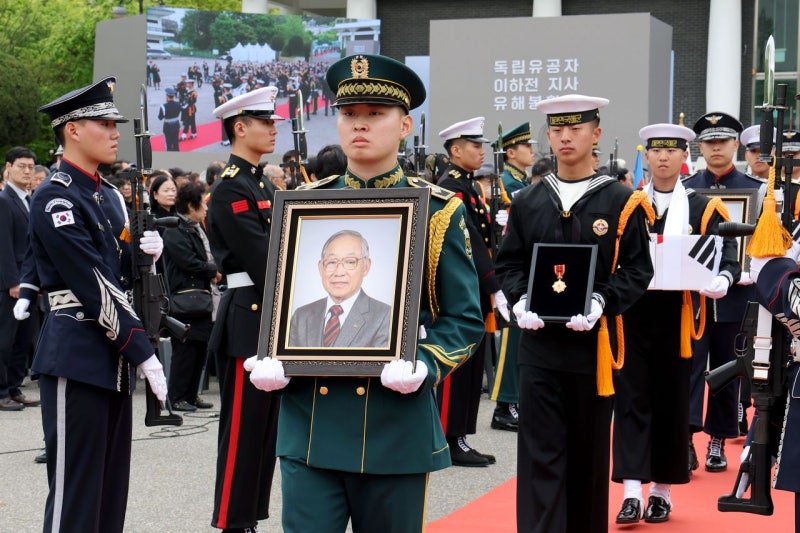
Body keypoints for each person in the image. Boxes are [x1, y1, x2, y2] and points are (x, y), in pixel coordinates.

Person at [246, 53, 484, 533]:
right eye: (349, 114)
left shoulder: (437, 212)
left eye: (376, 115)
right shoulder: (306, 207)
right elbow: (288, 300)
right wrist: (272, 353)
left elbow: (463, 318)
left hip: (392, 426)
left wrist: (426, 363)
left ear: (404, 125)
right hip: (311, 421)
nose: (360, 125)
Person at [495, 93, 654, 533]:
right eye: (557, 130)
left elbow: (639, 268)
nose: (565, 138)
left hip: (594, 350)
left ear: (595, 134)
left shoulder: (622, 200)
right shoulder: (529, 200)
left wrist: (604, 301)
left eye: (576, 129)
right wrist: (521, 299)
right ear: (548, 135)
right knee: (540, 457)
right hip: (540, 347)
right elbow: (509, 262)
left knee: (586, 456)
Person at [31, 76, 168, 532]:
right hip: (78, 351)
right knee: (76, 494)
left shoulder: (106, 194)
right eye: (104, 123)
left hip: (112, 359)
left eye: (116, 124)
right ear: (72, 130)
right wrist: (143, 349)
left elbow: (119, 268)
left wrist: (146, 253)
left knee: (110, 493)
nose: (115, 133)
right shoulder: (55, 196)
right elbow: (93, 283)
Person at [612, 123, 740, 524]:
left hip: (678, 319)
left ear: (685, 157)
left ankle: (662, 493)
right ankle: (632, 491)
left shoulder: (703, 207)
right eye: (656, 151)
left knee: (671, 404)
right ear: (646, 156)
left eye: (672, 152)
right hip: (631, 317)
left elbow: (729, 255)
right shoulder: (628, 205)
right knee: (631, 401)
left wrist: (724, 278)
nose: (664, 158)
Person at [206, 86, 284, 533]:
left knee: (265, 432)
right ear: (240, 127)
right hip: (247, 315)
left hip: (267, 316)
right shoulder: (231, 188)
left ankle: (250, 518)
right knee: (242, 430)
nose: (273, 129)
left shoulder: (260, 183)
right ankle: (234, 522)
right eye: (265, 122)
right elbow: (265, 258)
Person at [683, 111, 765, 474]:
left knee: (727, 368)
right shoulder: (686, 189)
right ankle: (684, 437)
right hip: (692, 296)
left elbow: (764, 242)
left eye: (723, 141)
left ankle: (718, 439)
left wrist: (752, 268)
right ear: (700, 147)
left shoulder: (756, 190)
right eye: (709, 142)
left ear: (736, 145)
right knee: (688, 366)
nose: (716, 147)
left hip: (736, 294)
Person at [436, 116, 510, 466]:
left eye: (482, 145)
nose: (481, 151)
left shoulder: (468, 185)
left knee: (472, 362)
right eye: (475, 145)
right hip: (460, 286)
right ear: (455, 150)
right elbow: (471, 242)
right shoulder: (452, 185)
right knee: (459, 365)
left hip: (473, 284)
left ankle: (460, 435)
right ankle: (449, 436)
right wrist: (493, 284)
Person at [488, 122, 536, 433]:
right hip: (509, 267)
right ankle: (506, 404)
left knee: (520, 336)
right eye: (527, 146)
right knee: (511, 336)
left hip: (524, 264)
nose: (532, 151)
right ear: (510, 152)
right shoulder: (505, 183)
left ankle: (514, 400)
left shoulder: (521, 182)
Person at [162, 182, 220, 412]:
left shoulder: (196, 227)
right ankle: (177, 397)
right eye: (202, 205)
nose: (205, 209)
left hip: (202, 297)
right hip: (185, 298)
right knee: (184, 351)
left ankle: (191, 395)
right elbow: (187, 261)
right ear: (190, 205)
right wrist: (211, 271)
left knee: (199, 349)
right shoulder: (175, 230)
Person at [288, 230, 391, 348]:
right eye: (332, 262)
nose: (339, 272)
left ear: (366, 267)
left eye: (350, 262)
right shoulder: (301, 316)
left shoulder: (385, 317)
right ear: (321, 268)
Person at [0, 146, 39, 411]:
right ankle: (2, 391)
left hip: (27, 282)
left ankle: (14, 388)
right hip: (10, 284)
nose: (27, 171)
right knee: (5, 340)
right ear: (8, 168)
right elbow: (3, 245)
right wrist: (13, 281)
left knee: (23, 340)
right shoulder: (4, 200)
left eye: (31, 167)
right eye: (21, 166)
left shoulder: (27, 199)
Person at [158, 87, 181, 152]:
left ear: (167, 96)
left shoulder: (163, 106)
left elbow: (160, 117)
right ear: (173, 96)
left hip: (167, 127)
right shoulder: (178, 104)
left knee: (168, 143)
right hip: (176, 125)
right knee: (176, 142)